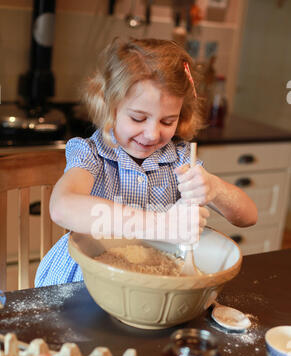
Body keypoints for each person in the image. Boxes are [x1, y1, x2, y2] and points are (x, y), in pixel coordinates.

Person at [35, 38, 257, 287]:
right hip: (86, 282)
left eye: (167, 121)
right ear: (110, 106)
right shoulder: (91, 153)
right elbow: (62, 207)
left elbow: (248, 216)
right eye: (138, 118)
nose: (152, 133)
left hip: (153, 284)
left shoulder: (181, 160)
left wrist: (215, 188)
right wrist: (163, 226)